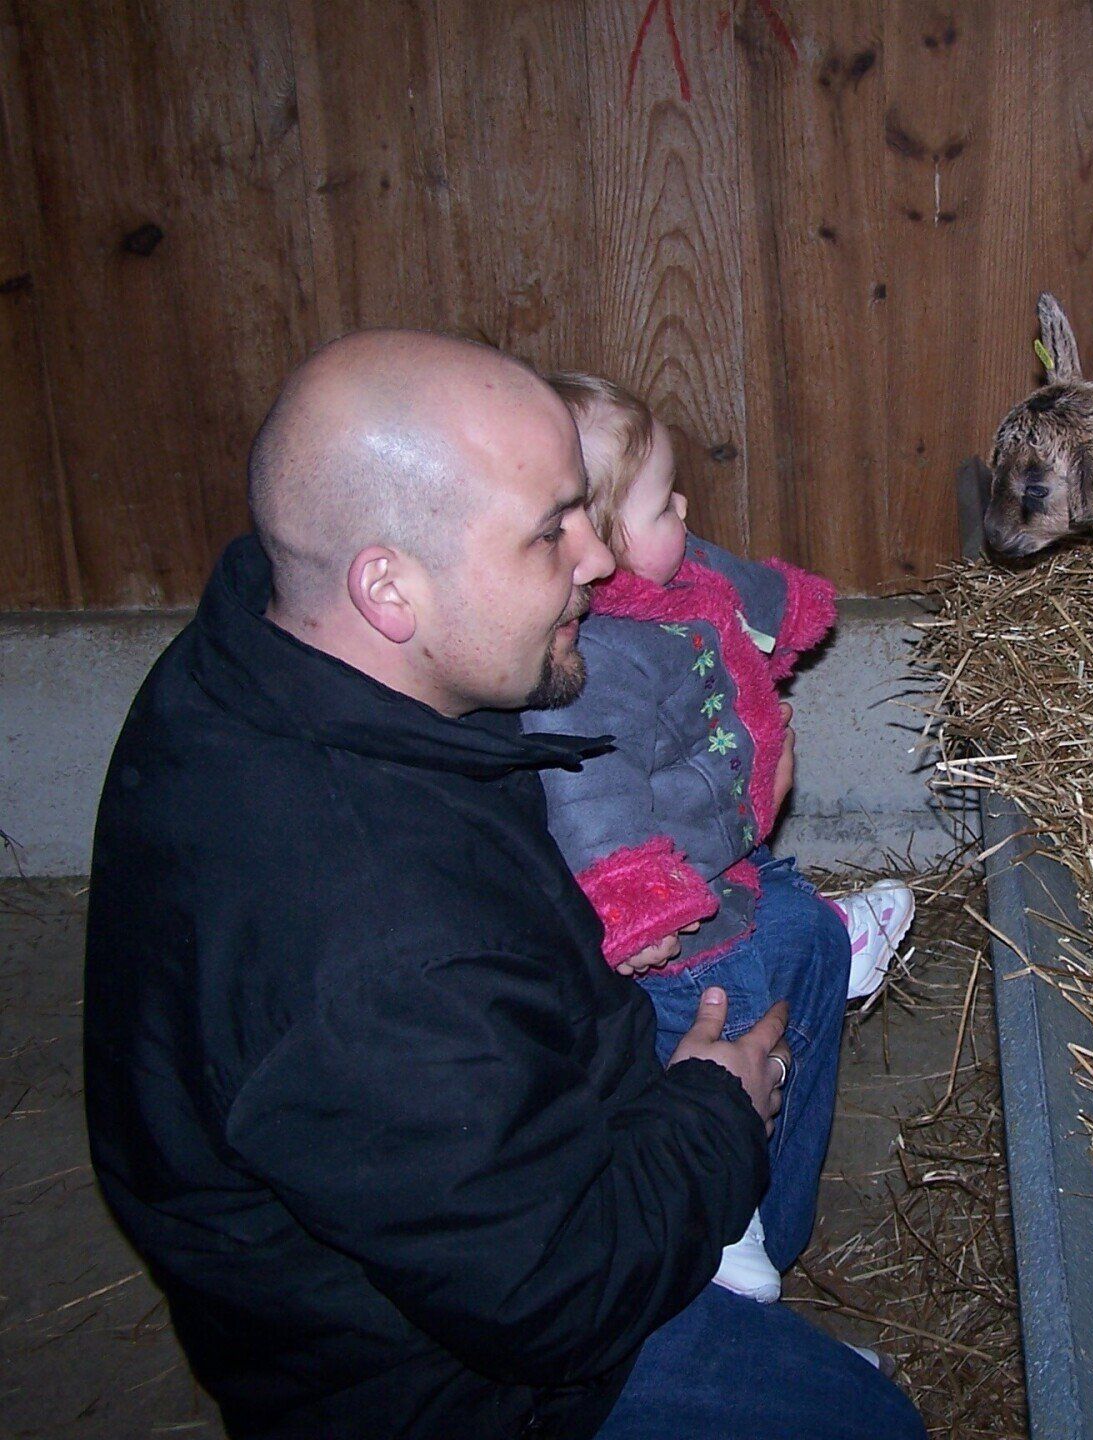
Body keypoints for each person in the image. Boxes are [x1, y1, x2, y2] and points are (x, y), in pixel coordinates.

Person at [83, 330, 926, 1440]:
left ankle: (744, 1284)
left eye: (585, 508)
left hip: (504, 1137)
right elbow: (551, 1296)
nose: (595, 558)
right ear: (391, 586)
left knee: (801, 951)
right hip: (464, 1375)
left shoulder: (280, 647)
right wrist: (712, 1114)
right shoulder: (374, 946)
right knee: (878, 1428)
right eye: (547, 533)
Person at [523, 372, 916, 1303]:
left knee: (764, 889)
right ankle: (728, 1216)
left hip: (720, 833)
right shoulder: (597, 662)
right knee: (723, 1002)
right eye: (664, 503)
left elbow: (738, 583)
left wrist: (785, 611)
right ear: (598, 546)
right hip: (671, 889)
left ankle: (828, 933)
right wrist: (639, 901)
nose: (687, 512)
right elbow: (590, 798)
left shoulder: (675, 572)